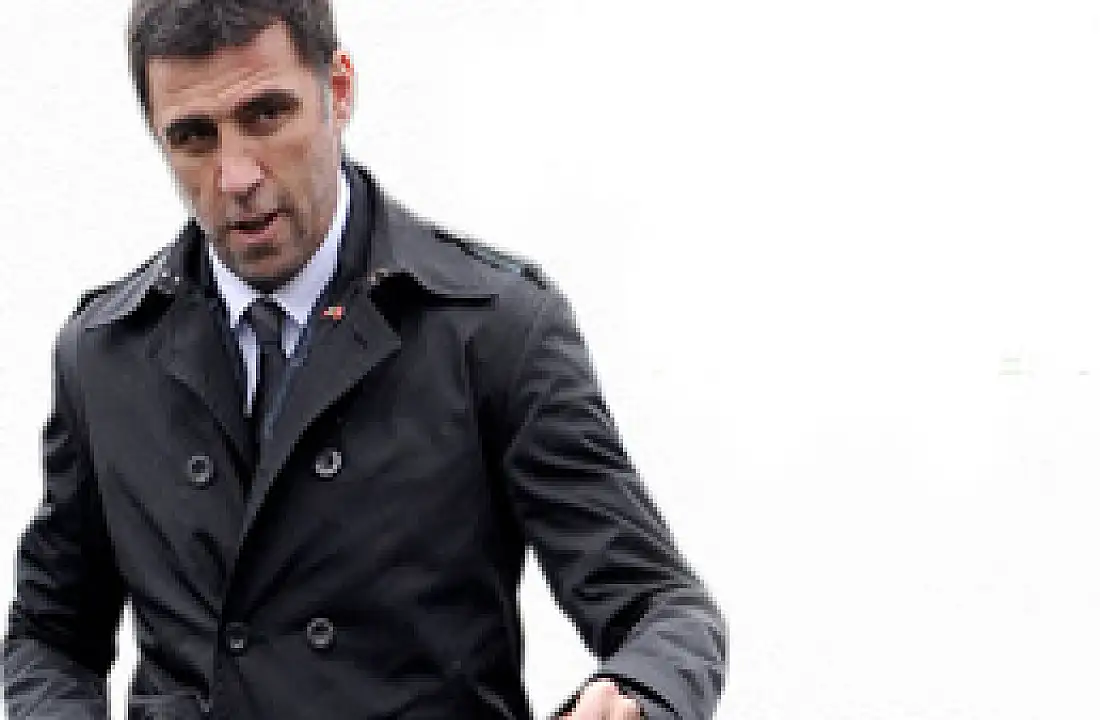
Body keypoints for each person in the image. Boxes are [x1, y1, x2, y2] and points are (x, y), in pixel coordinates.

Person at [2, 1, 726, 718]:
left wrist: (636, 694)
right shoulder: (104, 356)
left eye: (266, 115)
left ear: (339, 89)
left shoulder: (490, 328)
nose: (236, 176)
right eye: (194, 137)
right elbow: (50, 637)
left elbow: (662, 609)